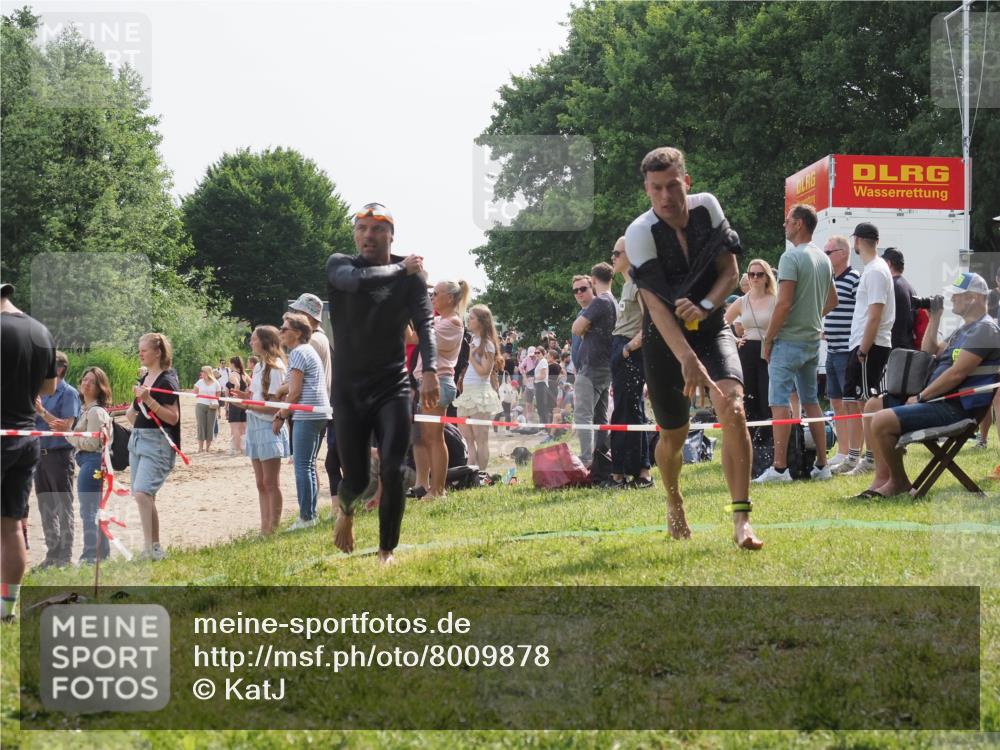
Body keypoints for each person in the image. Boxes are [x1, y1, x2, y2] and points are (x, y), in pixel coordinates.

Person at [624, 146, 762, 549]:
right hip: (664, 340)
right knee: (674, 438)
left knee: (733, 408)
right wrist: (686, 358)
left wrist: (704, 304)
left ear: (686, 182)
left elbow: (730, 272)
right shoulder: (639, 233)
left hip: (712, 325)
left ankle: (742, 520)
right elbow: (654, 306)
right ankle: (673, 498)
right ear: (647, 190)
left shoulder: (708, 209)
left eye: (672, 186)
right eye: (656, 189)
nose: (666, 196)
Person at [326, 202, 436, 565]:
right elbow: (355, 284)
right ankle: (346, 509)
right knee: (356, 480)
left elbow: (425, 323)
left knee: (393, 467)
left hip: (393, 385)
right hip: (348, 390)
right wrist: (401, 269)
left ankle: (386, 550)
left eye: (376, 230)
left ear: (391, 235)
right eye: (361, 229)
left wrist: (431, 368)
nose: (368, 236)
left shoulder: (412, 277)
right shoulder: (341, 264)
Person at [858, 272, 1000, 498]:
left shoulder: (985, 330)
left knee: (881, 420)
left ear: (972, 297)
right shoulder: (964, 330)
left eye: (957, 295)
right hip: (938, 401)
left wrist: (922, 396)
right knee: (873, 406)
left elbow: (957, 374)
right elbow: (928, 351)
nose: (951, 299)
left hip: (956, 408)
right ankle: (882, 479)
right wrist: (934, 318)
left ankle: (899, 482)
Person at [755, 204, 838, 483]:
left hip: (789, 340)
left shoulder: (791, 257)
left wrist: (768, 338)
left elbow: (784, 302)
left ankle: (780, 468)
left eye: (788, 220)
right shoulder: (823, 259)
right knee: (811, 401)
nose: (784, 225)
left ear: (800, 223)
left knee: (779, 402)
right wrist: (812, 316)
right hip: (812, 341)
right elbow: (833, 300)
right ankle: (822, 465)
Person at [1, 280, 56, 621]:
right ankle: (6, 611)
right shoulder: (40, 330)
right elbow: (48, 387)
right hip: (25, 435)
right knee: (10, 527)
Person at [841, 222, 896, 476]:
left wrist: (863, 350)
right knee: (865, 404)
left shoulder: (875, 270)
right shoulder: (875, 269)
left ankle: (872, 459)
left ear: (858, 240)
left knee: (868, 405)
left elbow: (874, 315)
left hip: (870, 345)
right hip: (867, 343)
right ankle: (867, 457)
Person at [126, 333, 181, 561]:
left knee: (142, 493)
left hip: (158, 442)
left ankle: (153, 548)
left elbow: (173, 418)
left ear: (158, 352)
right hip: (137, 440)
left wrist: (149, 400)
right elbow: (133, 415)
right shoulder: (145, 378)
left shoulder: (167, 380)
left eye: (144, 350)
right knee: (144, 495)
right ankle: (151, 547)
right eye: (139, 349)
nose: (140, 353)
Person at [413, 280, 468, 498]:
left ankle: (438, 490)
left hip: (439, 383)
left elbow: (420, 335)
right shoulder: (439, 320)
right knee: (428, 438)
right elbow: (410, 336)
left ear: (451, 298)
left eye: (435, 293)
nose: (432, 296)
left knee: (435, 439)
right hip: (429, 384)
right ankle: (431, 488)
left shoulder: (452, 322)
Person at [275, 312, 330, 529]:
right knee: (307, 465)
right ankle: (311, 514)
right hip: (318, 413)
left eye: (284, 328)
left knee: (302, 466)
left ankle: (306, 517)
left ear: (297, 333)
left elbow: (295, 392)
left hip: (307, 414)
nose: (280, 331)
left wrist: (281, 415)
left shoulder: (298, 352)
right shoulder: (307, 350)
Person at [724, 258, 778, 478]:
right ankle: (751, 451)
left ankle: (770, 449)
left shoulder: (775, 300)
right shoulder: (742, 301)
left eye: (759, 274)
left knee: (768, 401)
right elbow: (723, 323)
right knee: (750, 401)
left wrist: (773, 346)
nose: (755, 278)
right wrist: (734, 340)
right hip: (747, 353)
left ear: (767, 277)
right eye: (752, 274)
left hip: (769, 353)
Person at [235, 326, 289, 534]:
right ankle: (264, 527)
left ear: (265, 342)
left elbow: (276, 405)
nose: (251, 342)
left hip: (268, 426)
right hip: (255, 424)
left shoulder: (276, 368)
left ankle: (272, 529)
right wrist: (242, 398)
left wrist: (248, 405)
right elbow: (257, 398)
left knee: (271, 482)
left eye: (254, 339)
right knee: (260, 483)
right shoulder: (258, 367)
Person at [609, 237, 653, 488]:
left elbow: (651, 321)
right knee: (624, 411)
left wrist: (628, 348)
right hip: (621, 347)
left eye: (617, 253)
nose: (613, 258)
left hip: (629, 350)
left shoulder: (638, 284)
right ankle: (624, 471)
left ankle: (640, 472)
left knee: (631, 412)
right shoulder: (627, 285)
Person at [31, 350, 80, 568]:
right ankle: (52, 554)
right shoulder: (38, 392)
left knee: (63, 506)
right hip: (38, 456)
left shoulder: (68, 393)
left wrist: (41, 412)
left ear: (58, 369)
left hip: (59, 456)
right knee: (45, 507)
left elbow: (65, 426)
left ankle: (65, 557)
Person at [821, 235, 863, 473]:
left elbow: (861, 314)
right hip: (832, 349)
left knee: (851, 405)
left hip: (848, 351)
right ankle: (843, 451)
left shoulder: (855, 279)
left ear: (843, 253)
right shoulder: (830, 280)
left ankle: (854, 452)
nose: (826, 256)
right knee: (836, 401)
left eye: (829, 252)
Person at [65, 367, 113, 564]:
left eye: (91, 381)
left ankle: (90, 555)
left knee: (89, 511)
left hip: (92, 462)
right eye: (84, 379)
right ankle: (101, 554)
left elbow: (93, 443)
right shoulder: (88, 410)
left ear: (99, 387)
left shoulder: (94, 412)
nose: (86, 384)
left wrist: (70, 437)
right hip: (90, 463)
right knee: (94, 510)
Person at [571, 266, 617, 465]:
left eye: (584, 288)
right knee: (599, 417)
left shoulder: (600, 302)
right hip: (600, 367)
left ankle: (587, 459)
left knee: (583, 415)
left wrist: (583, 327)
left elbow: (576, 328)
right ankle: (600, 457)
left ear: (593, 283)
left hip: (592, 368)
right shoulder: (609, 302)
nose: (580, 293)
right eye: (576, 290)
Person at [453, 304, 503, 469]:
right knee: (467, 436)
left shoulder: (487, 343)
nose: (469, 320)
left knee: (481, 437)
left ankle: (481, 474)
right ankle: (471, 469)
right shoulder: (474, 340)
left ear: (481, 322)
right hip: (468, 394)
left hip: (480, 394)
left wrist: (471, 356)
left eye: (472, 317)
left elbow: (484, 372)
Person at [882, 248, 918, 350]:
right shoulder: (910, 288)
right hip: (907, 348)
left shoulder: (890, 286)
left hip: (893, 350)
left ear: (888, 263)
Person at [192, 366, 222, 453]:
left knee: (210, 426)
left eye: (203, 371)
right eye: (201, 371)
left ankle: (208, 448)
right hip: (201, 405)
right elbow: (194, 393)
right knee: (200, 426)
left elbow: (218, 396)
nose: (201, 373)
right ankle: (200, 447)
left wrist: (213, 401)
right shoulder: (200, 382)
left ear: (207, 372)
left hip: (212, 407)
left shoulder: (216, 383)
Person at [226, 356, 249, 454]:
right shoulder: (244, 374)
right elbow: (249, 386)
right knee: (243, 427)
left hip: (235, 403)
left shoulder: (233, 374)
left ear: (232, 364)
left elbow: (237, 385)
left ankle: (235, 448)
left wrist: (235, 395)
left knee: (235, 427)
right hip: (244, 403)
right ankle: (243, 448)